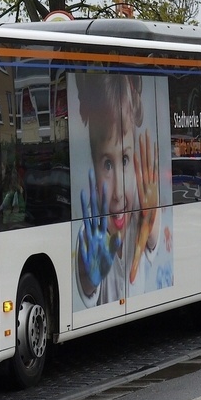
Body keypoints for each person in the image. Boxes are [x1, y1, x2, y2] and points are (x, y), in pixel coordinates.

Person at [74, 73, 167, 306]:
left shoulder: (141, 212)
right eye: (107, 164)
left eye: (125, 160)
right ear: (93, 168)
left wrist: (152, 214)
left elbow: (153, 231)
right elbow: (87, 282)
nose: (117, 191)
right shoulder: (91, 235)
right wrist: (89, 278)